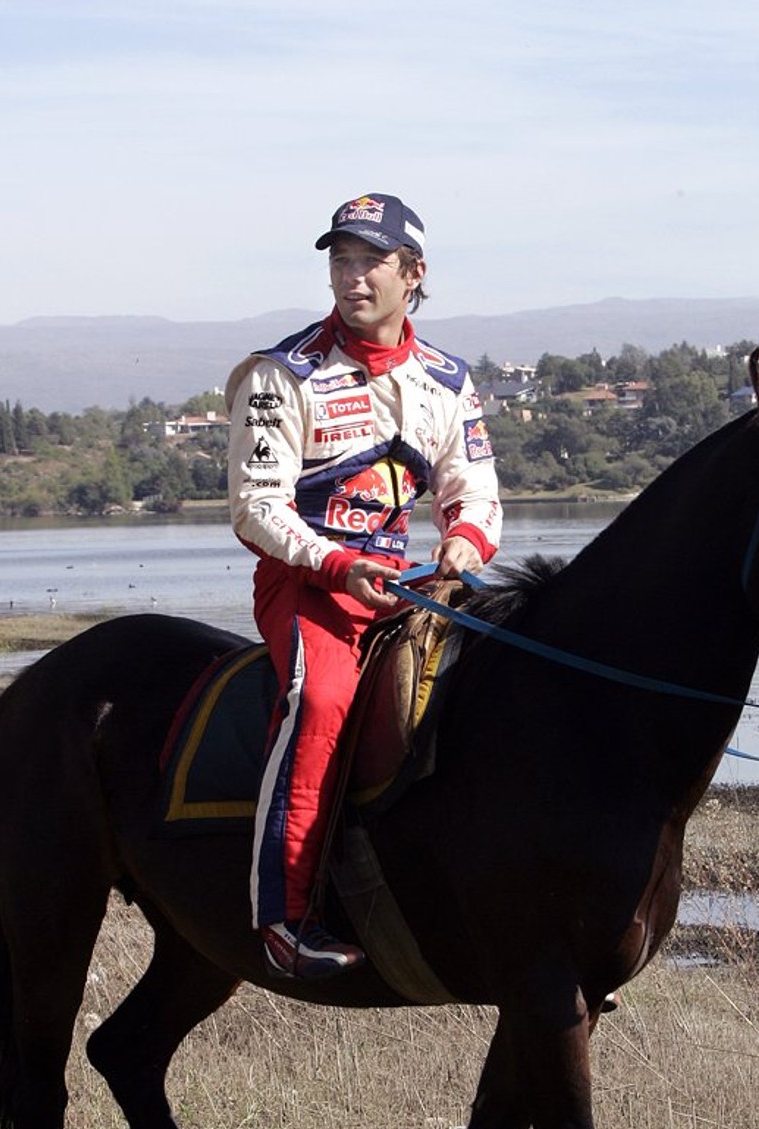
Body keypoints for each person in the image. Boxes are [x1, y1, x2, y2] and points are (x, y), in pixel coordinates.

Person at [225, 193, 503, 980]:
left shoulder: (447, 379)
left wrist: (460, 544)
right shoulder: (281, 375)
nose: (351, 277)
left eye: (369, 260)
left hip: (412, 581)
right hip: (307, 582)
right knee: (318, 704)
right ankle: (283, 915)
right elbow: (256, 510)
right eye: (339, 260)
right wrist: (342, 566)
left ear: (413, 274)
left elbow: (474, 492)